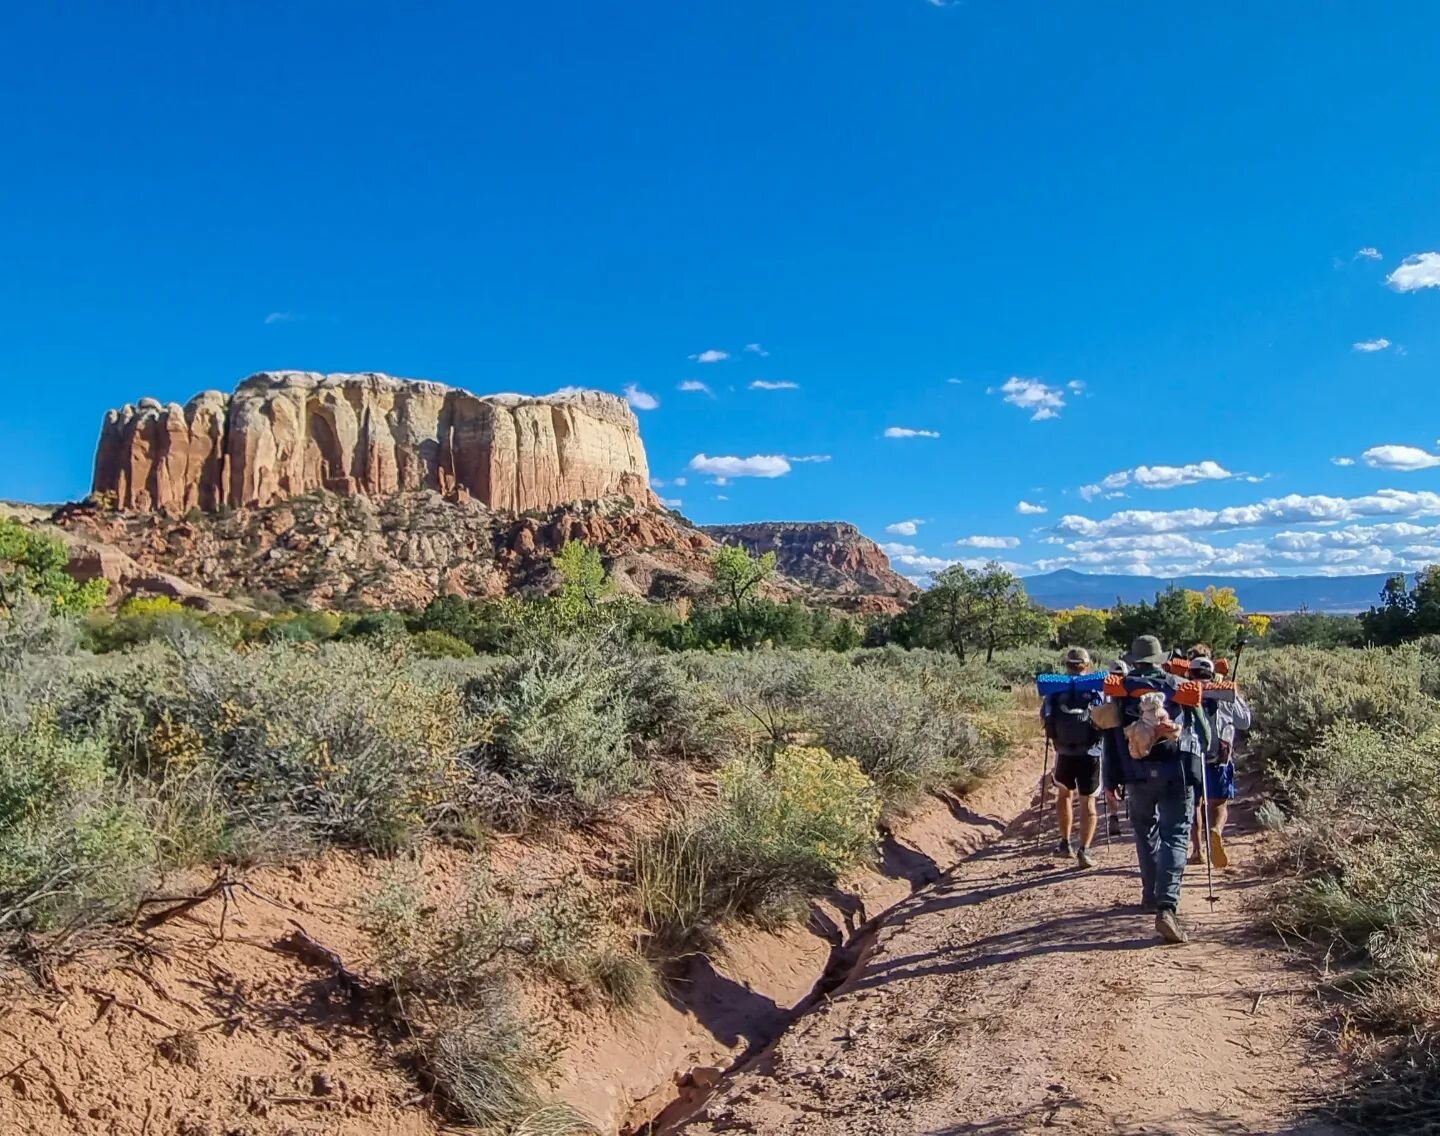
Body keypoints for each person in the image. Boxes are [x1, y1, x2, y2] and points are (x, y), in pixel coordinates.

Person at [1102, 634, 1211, 944]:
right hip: (1177, 771)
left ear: (1134, 660)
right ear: (1161, 660)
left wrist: (1111, 780)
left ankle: (1150, 895)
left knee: (1145, 831)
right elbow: (1205, 736)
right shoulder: (1179, 687)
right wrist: (1200, 717)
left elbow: (1111, 739)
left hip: (1135, 774)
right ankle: (1167, 905)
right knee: (1175, 833)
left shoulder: (1120, 691)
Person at [1040, 646, 1104, 869]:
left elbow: (1045, 719)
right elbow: (1105, 717)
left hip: (1064, 752)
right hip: (1091, 753)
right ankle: (1084, 850)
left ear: (1067, 666)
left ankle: (1064, 843)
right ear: (1087, 666)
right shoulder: (1096, 687)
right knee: (1088, 801)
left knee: (1064, 795)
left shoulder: (1055, 689)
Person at [1187, 655, 1251, 870]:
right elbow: (1244, 722)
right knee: (1219, 804)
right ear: (1212, 674)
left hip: (1192, 757)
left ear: (1190, 673)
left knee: (1194, 804)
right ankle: (1215, 830)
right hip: (1220, 758)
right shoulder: (1223, 693)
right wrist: (1235, 694)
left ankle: (1198, 851)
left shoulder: (1185, 691)